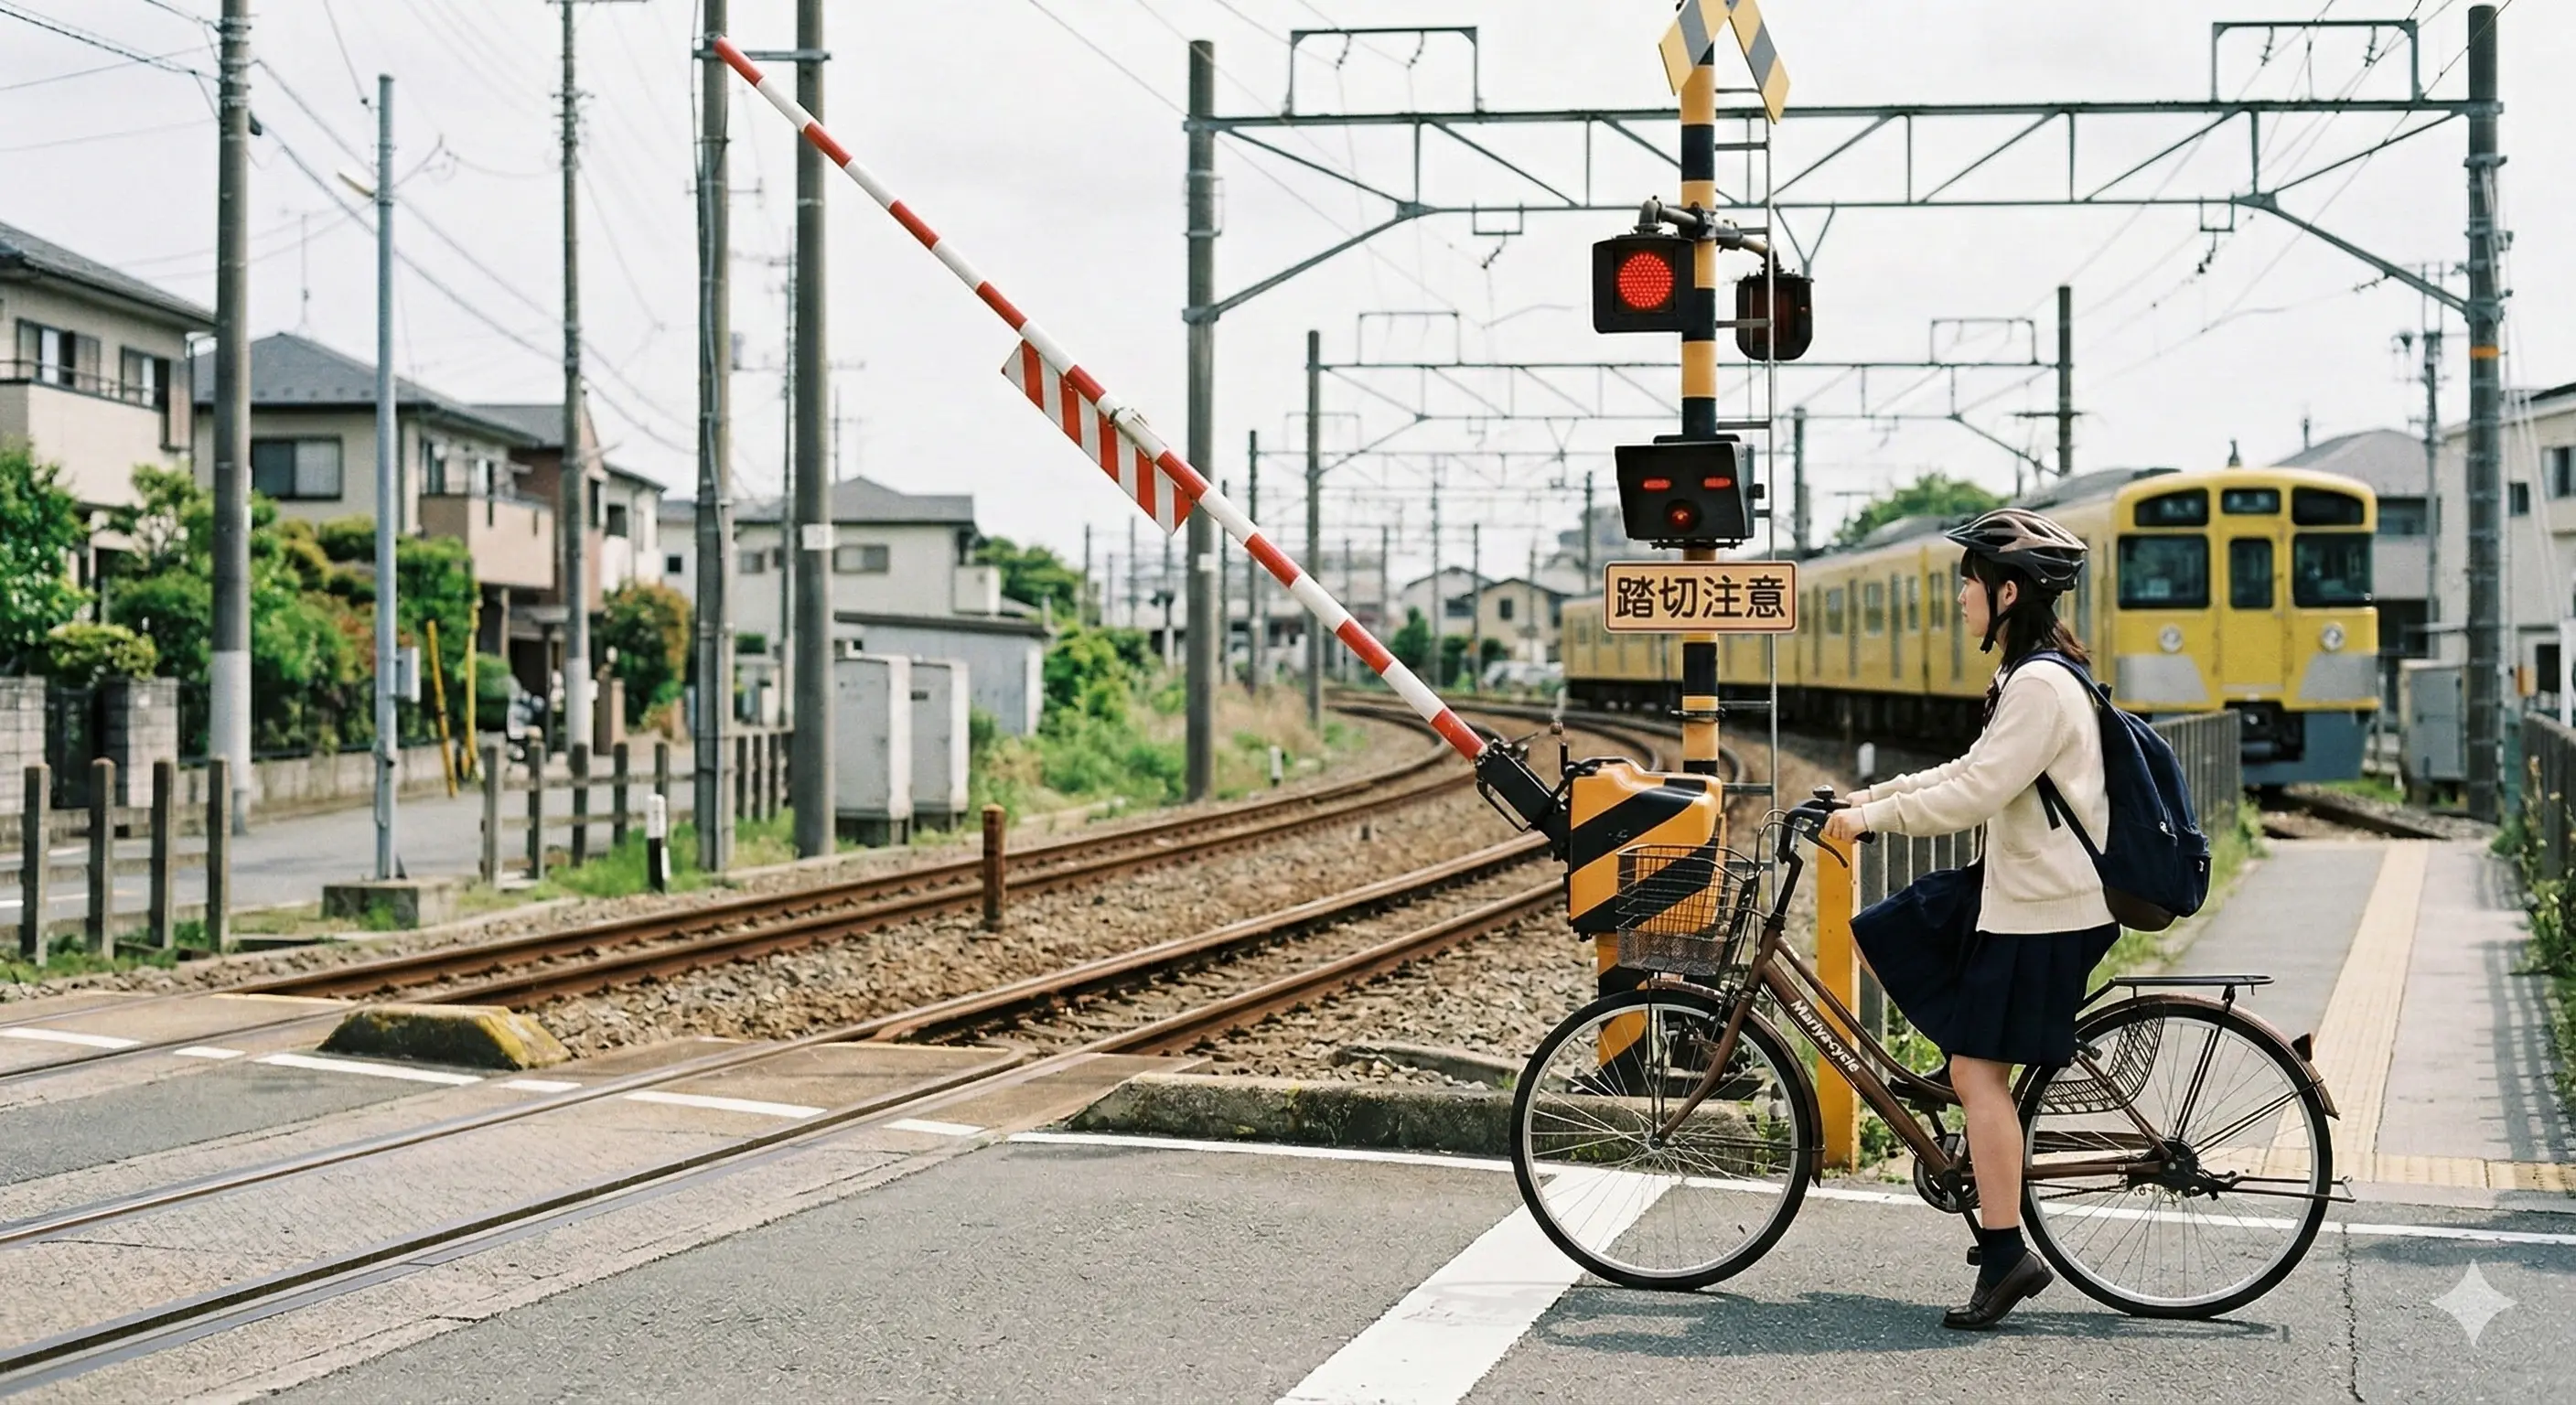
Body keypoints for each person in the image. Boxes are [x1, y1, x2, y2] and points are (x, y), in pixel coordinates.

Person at [1819, 506, 2114, 1331]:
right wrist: (1870, 796)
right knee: (1887, 931)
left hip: (2047, 907)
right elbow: (1972, 768)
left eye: (1969, 583)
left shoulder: (2041, 686)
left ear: (2008, 593)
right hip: (2017, 888)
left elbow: (1976, 793)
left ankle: (2005, 1252)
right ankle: (1974, 1099)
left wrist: (1874, 820)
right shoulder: (2030, 676)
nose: (1958, 597)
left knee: (1978, 1075)